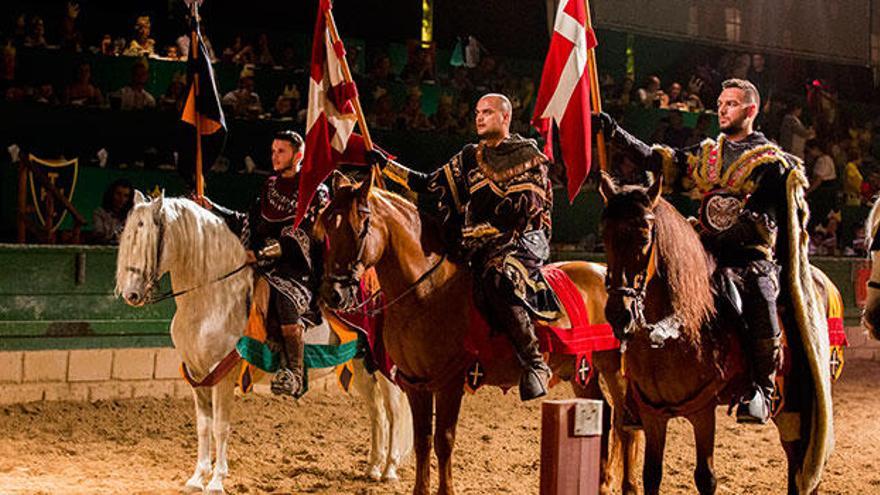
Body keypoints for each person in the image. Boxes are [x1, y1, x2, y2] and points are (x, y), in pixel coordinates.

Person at [594, 78, 809, 424]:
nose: (722, 109)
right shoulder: (707, 154)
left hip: (748, 254)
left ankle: (762, 390)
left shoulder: (772, 162)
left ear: (751, 110)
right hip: (703, 251)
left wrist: (710, 238)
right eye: (721, 103)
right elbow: (657, 159)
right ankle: (641, 389)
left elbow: (763, 218)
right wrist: (616, 133)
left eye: (731, 104)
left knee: (761, 295)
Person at [373, 93, 557, 401]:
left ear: (505, 117)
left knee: (498, 279)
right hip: (478, 243)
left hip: (522, 238)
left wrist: (479, 232)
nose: (480, 117)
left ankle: (534, 362)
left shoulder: (528, 155)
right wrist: (386, 164)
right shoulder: (471, 156)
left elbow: (523, 209)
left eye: (487, 112)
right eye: (477, 112)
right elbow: (428, 182)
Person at [200, 130, 328, 398]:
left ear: (298, 155)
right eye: (273, 151)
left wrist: (259, 255)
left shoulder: (315, 190)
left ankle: (292, 370)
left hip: (300, 269)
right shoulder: (269, 186)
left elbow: (301, 236)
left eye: (281, 151)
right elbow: (248, 220)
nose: (275, 156)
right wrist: (214, 208)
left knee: (282, 298)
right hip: (267, 264)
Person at [92, 179, 134, 244]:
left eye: (126, 196)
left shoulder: (132, 215)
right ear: (111, 194)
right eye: (118, 194)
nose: (122, 199)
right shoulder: (100, 213)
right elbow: (98, 236)